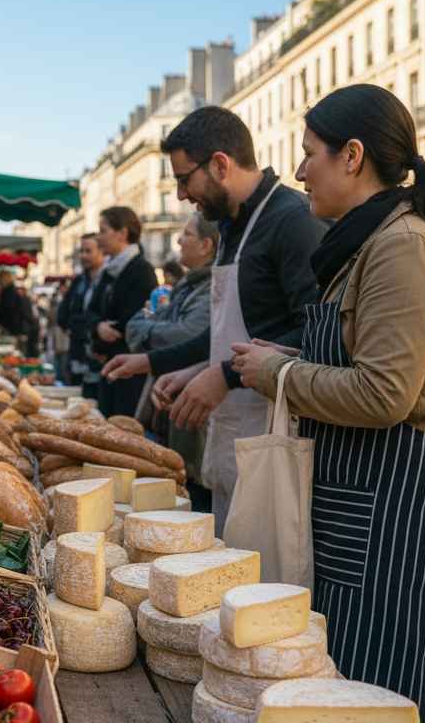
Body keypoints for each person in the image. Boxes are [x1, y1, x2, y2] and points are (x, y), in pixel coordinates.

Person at [229, 84, 425, 723]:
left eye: (310, 153)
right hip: (361, 501)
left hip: (402, 505)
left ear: (353, 155)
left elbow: (384, 394)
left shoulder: (405, 247)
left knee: (386, 690)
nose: (302, 169)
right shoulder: (366, 244)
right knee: (345, 687)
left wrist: (280, 373)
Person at [102, 105, 325, 532]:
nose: (183, 195)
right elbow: (223, 334)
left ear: (220, 164)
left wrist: (223, 375)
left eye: (185, 179)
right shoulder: (230, 227)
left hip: (276, 436)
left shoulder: (292, 221)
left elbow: (315, 332)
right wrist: (167, 365)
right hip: (231, 430)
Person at [126, 211, 219, 510]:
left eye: (187, 234)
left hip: (193, 426)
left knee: (191, 504)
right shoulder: (186, 285)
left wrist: (147, 328)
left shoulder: (212, 287)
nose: (178, 240)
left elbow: (184, 335)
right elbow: (136, 323)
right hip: (168, 412)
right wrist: (150, 325)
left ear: (206, 245)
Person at [87, 206, 158, 417]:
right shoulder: (108, 271)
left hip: (129, 371)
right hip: (109, 365)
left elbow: (133, 321)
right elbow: (90, 312)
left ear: (122, 233)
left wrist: (101, 332)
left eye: (103, 230)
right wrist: (97, 327)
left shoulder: (141, 270)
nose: (99, 237)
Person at [57, 234, 105, 401]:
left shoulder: (108, 281)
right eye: (81, 251)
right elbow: (62, 315)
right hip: (77, 357)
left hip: (100, 363)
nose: (83, 255)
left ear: (102, 252)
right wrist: (76, 326)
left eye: (88, 251)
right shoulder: (79, 281)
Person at [50, 280, 72, 383]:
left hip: (65, 336)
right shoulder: (58, 301)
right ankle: (60, 379)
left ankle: (64, 380)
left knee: (64, 360)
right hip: (58, 334)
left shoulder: (70, 300)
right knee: (59, 359)